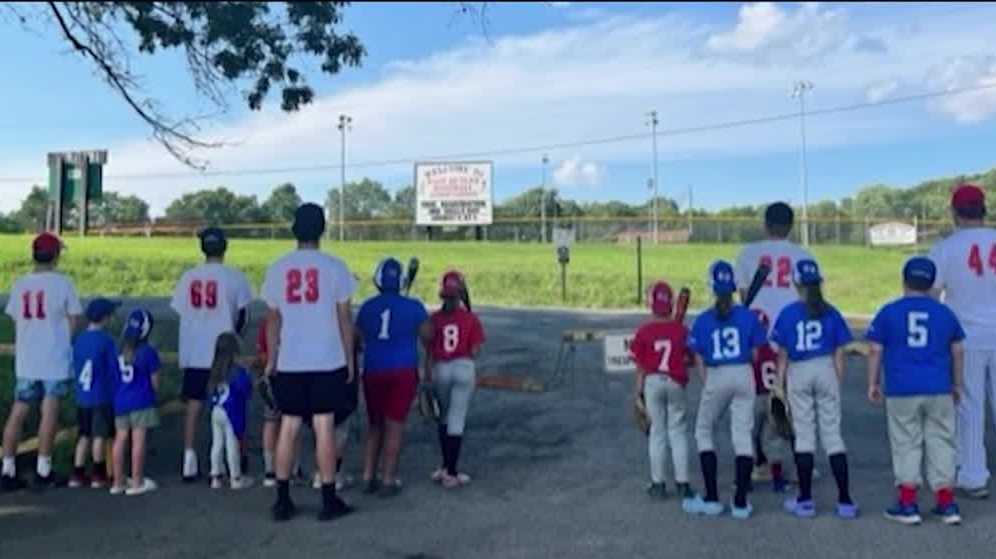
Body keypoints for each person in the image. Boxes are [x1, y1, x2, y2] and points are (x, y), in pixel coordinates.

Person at [262, 202, 357, 522]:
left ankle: (282, 499)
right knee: (324, 425)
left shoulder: (278, 268)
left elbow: (272, 320)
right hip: (327, 358)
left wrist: (272, 358)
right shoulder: (335, 267)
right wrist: (349, 358)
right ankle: (329, 499)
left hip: (291, 359)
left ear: (294, 230)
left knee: (288, 426)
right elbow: (345, 318)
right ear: (322, 230)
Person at [867, 256, 965, 526]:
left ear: (904, 280)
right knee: (942, 440)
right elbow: (957, 350)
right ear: (933, 283)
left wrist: (873, 383)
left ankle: (908, 502)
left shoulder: (889, 311)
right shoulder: (945, 313)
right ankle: (946, 502)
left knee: (906, 442)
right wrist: (957, 384)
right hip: (938, 386)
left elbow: (875, 349)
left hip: (902, 388)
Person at [771, 259, 858, 519]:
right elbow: (839, 351)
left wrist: (778, 384)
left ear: (796, 284)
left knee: (805, 436)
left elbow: (783, 354)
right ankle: (845, 500)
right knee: (833, 436)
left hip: (799, 369)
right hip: (826, 367)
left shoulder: (789, 313)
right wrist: (837, 379)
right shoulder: (830, 311)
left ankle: (805, 500)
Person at [927, 183, 996, 499]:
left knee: (968, 406)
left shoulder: (945, 247)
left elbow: (929, 296)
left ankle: (973, 474)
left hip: (964, 336)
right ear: (984, 210)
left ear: (955, 213)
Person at [683, 261, 765, 519]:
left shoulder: (704, 320)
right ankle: (740, 502)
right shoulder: (747, 316)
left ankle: (711, 498)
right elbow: (755, 353)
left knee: (704, 431)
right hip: (743, 373)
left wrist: (708, 381)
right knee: (742, 435)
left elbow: (698, 357)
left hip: (717, 374)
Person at [171, 227, 253, 483]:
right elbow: (244, 315)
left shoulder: (188, 277)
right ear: (225, 247)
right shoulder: (235, 277)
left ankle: (189, 459)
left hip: (195, 349)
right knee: (232, 404)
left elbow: (179, 310)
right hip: (223, 352)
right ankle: (235, 460)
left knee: (193, 405)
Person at [1, 233, 82, 491]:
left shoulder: (21, 283)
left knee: (19, 411)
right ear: (56, 256)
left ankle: (7, 467)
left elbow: (15, 317)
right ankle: (43, 469)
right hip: (54, 358)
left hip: (27, 357)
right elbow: (73, 319)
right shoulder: (63, 284)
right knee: (50, 411)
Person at [355, 257, 429, 497]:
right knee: (395, 425)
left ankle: (368, 475)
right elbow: (429, 335)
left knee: (374, 424)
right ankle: (388, 479)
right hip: (402, 371)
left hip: (374, 370)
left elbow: (356, 338)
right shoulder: (414, 306)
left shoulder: (367, 307)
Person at [629, 280, 693, 501]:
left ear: (651, 304)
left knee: (657, 433)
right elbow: (689, 358)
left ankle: (658, 484)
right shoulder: (681, 330)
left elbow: (641, 366)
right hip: (676, 382)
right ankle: (683, 484)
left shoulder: (644, 331)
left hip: (653, 382)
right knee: (678, 431)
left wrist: (638, 393)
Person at [423, 270, 485, 489]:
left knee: (444, 418)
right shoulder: (471, 318)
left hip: (441, 368)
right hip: (463, 367)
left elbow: (428, 349)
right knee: (456, 419)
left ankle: (444, 466)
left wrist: (427, 373)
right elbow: (475, 350)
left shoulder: (434, 319)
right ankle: (451, 471)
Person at [735, 202, 816, 331]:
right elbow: (811, 297)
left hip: (758, 322)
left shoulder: (747, 252)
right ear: (790, 226)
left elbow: (743, 293)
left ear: (766, 225)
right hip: (791, 325)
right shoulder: (804, 255)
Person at [69, 297, 122, 489]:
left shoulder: (79, 339)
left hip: (82, 395)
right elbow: (113, 368)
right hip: (101, 395)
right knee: (99, 435)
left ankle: (77, 472)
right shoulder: (107, 341)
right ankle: (98, 473)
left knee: (84, 435)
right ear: (105, 318)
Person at [111, 309, 161, 496]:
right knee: (138, 441)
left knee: (120, 439)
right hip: (141, 400)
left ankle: (117, 481)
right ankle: (137, 481)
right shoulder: (148, 352)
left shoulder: (118, 350)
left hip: (120, 400)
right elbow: (155, 382)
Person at [750, 310, 790, 492]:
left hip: (755, 395)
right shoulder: (773, 351)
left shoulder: (751, 351)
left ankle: (748, 474)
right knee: (774, 438)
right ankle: (777, 479)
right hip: (773, 396)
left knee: (749, 436)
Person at [208, 332, 254, 490]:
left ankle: (215, 476)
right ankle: (236, 477)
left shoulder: (215, 369)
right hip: (231, 411)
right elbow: (246, 390)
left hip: (216, 409)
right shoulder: (237, 371)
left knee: (217, 444)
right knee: (232, 444)